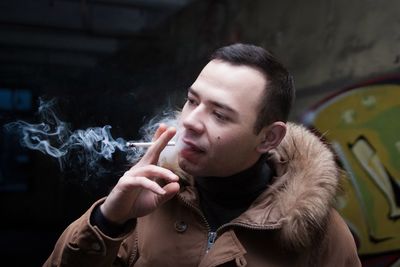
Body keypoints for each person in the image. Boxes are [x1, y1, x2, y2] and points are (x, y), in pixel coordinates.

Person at [44, 43, 361, 266]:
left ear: (268, 138)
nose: (190, 121)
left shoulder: (322, 236)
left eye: (220, 115)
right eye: (193, 101)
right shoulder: (144, 202)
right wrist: (108, 220)